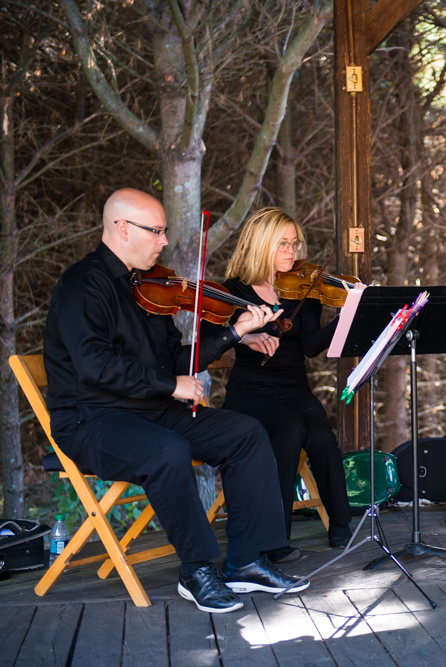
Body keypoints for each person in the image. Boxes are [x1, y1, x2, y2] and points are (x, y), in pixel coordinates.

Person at [43, 188, 308, 614]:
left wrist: (234, 332)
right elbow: (96, 367)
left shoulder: (148, 287)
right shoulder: (81, 286)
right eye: (157, 232)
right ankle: (197, 569)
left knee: (244, 432)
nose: (164, 241)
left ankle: (245, 562)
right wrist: (172, 385)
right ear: (122, 228)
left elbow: (175, 357)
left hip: (150, 411)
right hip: (91, 421)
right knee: (169, 451)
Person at [205, 207, 354, 557]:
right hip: (249, 392)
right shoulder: (234, 290)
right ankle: (275, 537)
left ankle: (341, 524)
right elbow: (210, 337)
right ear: (262, 245)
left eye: (295, 243)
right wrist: (244, 337)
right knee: (289, 427)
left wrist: (347, 316)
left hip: (293, 388)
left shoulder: (305, 288)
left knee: (319, 431)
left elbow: (311, 347)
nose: (292, 251)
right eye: (283, 244)